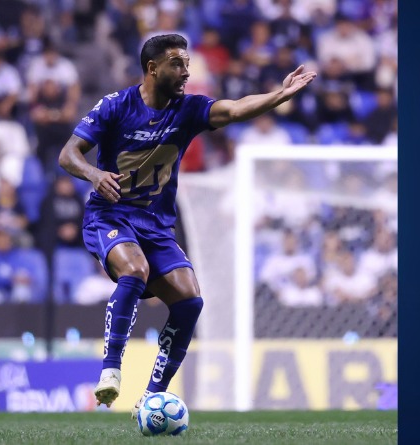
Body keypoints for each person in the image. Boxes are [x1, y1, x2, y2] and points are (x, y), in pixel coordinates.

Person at [57, 34, 316, 417]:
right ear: (152, 68)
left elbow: (235, 110)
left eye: (187, 64)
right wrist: (95, 175)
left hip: (156, 225)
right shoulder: (116, 105)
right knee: (135, 270)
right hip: (109, 216)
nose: (185, 72)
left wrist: (279, 95)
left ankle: (152, 397)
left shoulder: (189, 109)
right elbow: (68, 154)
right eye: (177, 64)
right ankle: (111, 369)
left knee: (190, 300)